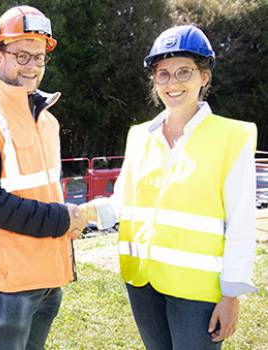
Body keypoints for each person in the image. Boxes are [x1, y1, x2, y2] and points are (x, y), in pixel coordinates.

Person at [82, 25, 258, 349]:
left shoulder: (232, 138)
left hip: (198, 291)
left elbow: (242, 225)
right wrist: (80, 214)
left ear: (204, 76)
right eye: (163, 74)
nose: (172, 83)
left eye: (184, 72)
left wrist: (231, 295)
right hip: (143, 283)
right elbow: (124, 201)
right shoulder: (139, 136)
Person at [0, 6, 86, 350]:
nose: (31, 66)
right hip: (10, 284)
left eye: (39, 58)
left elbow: (43, 190)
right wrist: (63, 219)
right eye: (21, 55)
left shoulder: (47, 121)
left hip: (49, 277)